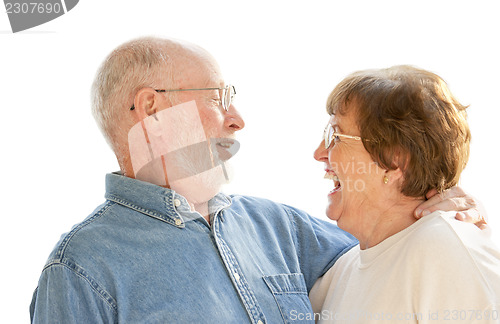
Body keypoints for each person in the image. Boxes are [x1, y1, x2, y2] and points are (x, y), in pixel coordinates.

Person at [29, 38, 484, 323]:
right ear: (151, 108)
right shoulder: (79, 271)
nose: (238, 119)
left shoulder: (279, 227)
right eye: (219, 97)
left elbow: (388, 257)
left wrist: (438, 201)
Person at [310, 65, 500, 323]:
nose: (319, 152)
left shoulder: (443, 249)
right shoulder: (338, 273)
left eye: (336, 135)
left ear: (395, 158)